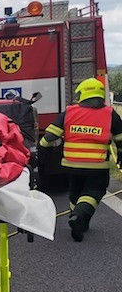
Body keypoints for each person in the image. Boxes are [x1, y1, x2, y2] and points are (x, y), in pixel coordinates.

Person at [39, 77, 122, 241]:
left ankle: (76, 217)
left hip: (72, 165)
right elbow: (120, 139)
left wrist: (40, 151)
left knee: (75, 192)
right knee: (94, 191)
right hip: (97, 166)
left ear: (82, 93)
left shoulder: (69, 112)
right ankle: (79, 216)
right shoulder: (109, 114)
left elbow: (50, 136)